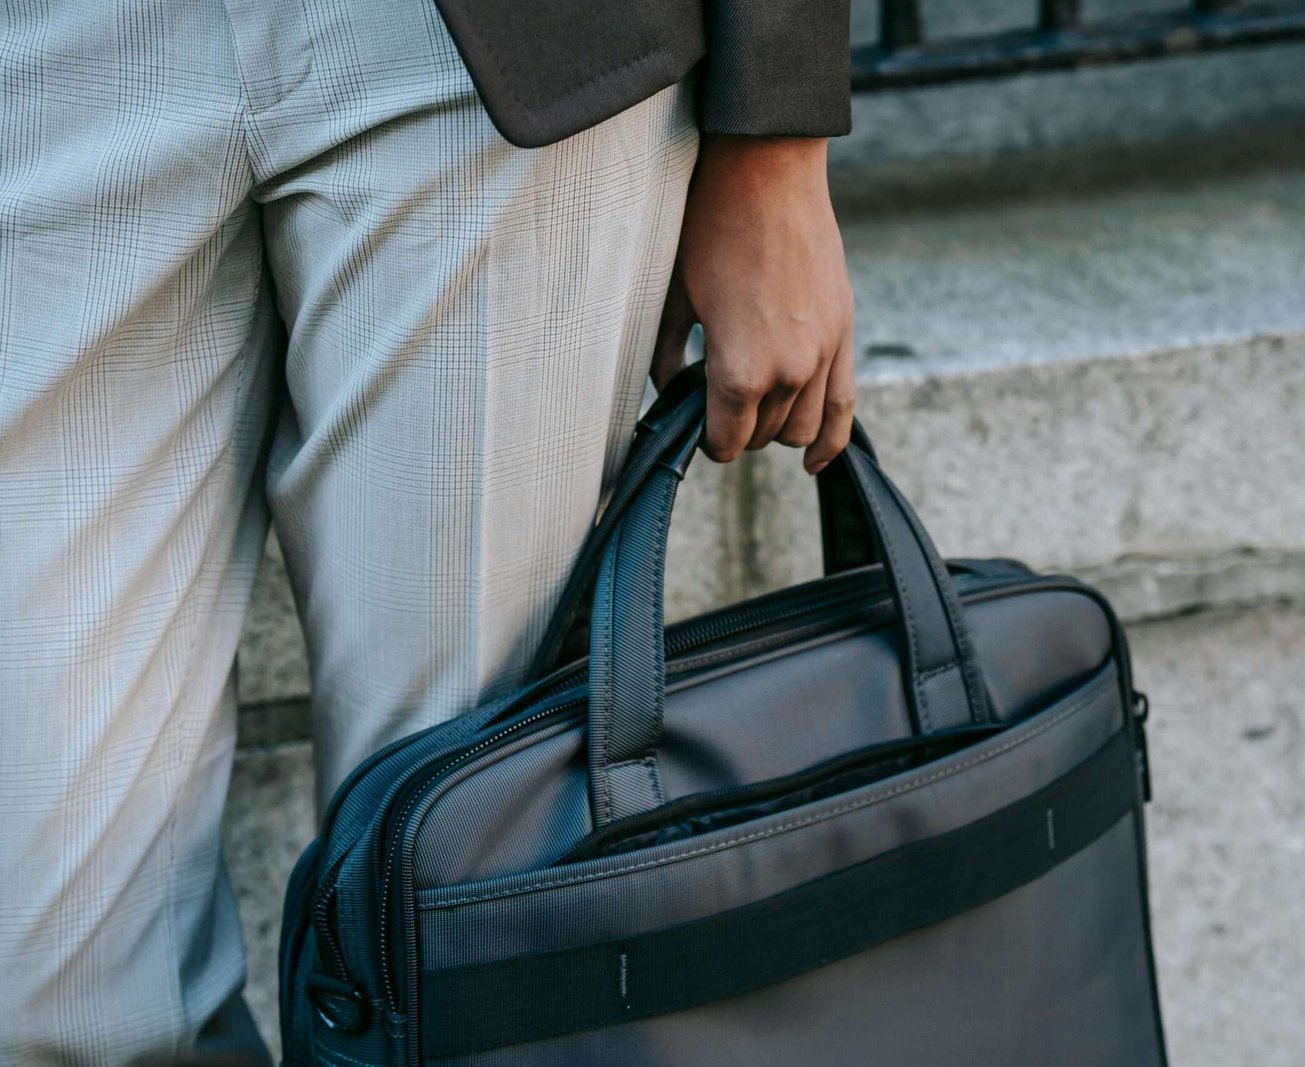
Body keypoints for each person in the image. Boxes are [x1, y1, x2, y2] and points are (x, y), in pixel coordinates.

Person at [0, 0, 855, 1060]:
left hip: (492, 56)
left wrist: (776, 136)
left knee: (463, 898)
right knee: (39, 976)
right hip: (50, 55)